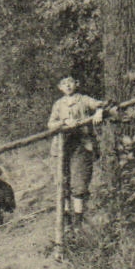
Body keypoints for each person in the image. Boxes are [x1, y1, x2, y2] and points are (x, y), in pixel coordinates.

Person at [48, 77, 107, 226]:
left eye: (70, 82)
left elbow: (101, 105)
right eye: (63, 83)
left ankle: (78, 221)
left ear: (76, 84)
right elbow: (51, 124)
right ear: (60, 87)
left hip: (81, 145)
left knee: (79, 182)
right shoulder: (58, 104)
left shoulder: (84, 100)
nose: (67, 86)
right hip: (61, 147)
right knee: (62, 181)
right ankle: (66, 218)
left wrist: (99, 112)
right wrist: (64, 122)